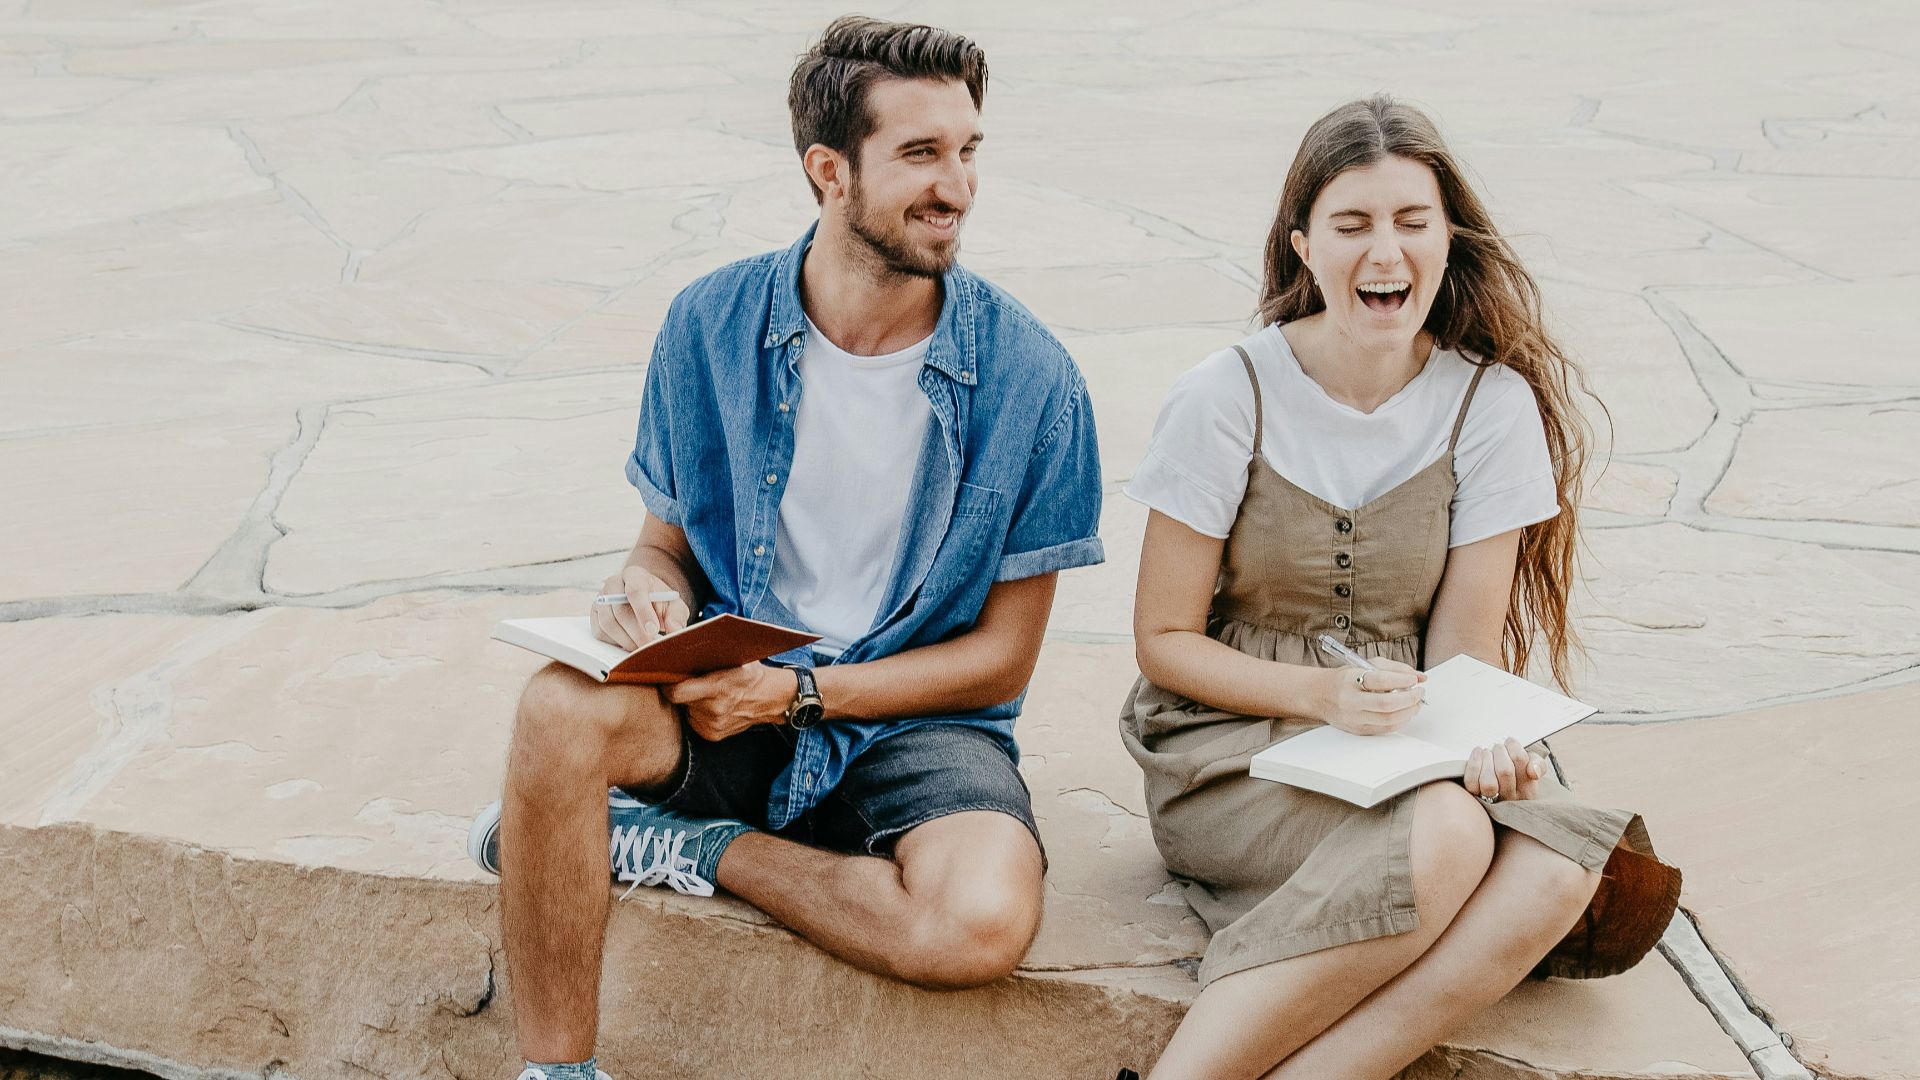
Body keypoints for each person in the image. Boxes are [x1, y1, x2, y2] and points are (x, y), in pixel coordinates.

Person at [465, 17, 1104, 1080]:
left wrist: (802, 699)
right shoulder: (707, 326)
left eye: (968, 151)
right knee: (555, 708)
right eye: (920, 155)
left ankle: (685, 848)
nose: (957, 186)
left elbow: (1001, 661)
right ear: (828, 170)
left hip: (913, 720)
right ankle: (556, 1074)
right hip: (721, 688)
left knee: (977, 926)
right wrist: (643, 592)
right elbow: (660, 546)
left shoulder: (1035, 379)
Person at [1118, 96, 1678, 1080]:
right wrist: (1320, 696)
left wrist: (1485, 743)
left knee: (1555, 870)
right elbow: (1164, 640)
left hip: (1401, 739)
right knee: (1451, 835)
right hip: (1229, 741)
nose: (1387, 251)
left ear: (1446, 239)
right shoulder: (1226, 394)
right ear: (1302, 246)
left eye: (1413, 223)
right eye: (1352, 224)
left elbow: (1465, 651)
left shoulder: (1488, 405)